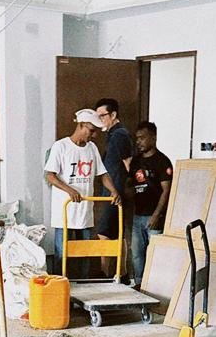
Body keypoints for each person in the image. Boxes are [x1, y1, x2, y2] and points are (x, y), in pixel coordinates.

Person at [44, 109, 120, 277]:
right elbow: (50, 175)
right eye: (91, 131)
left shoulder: (91, 148)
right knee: (62, 254)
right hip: (64, 212)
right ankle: (61, 288)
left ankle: (84, 286)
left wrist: (113, 190)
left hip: (85, 212)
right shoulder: (61, 146)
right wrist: (69, 190)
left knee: (85, 252)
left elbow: (103, 174)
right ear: (81, 125)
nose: (93, 135)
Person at [128, 121, 173, 284]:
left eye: (142, 138)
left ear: (153, 138)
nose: (138, 141)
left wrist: (156, 215)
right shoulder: (136, 161)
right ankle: (139, 284)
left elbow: (167, 190)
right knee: (137, 253)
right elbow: (130, 184)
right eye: (137, 138)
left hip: (154, 217)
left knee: (155, 254)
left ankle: (155, 285)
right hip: (137, 215)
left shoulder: (162, 161)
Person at [95, 98, 134, 278]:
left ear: (113, 115)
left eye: (102, 116)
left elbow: (128, 163)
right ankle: (122, 273)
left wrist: (126, 188)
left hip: (116, 191)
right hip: (112, 190)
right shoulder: (112, 135)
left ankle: (105, 273)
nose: (100, 119)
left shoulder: (120, 135)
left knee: (104, 231)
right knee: (117, 233)